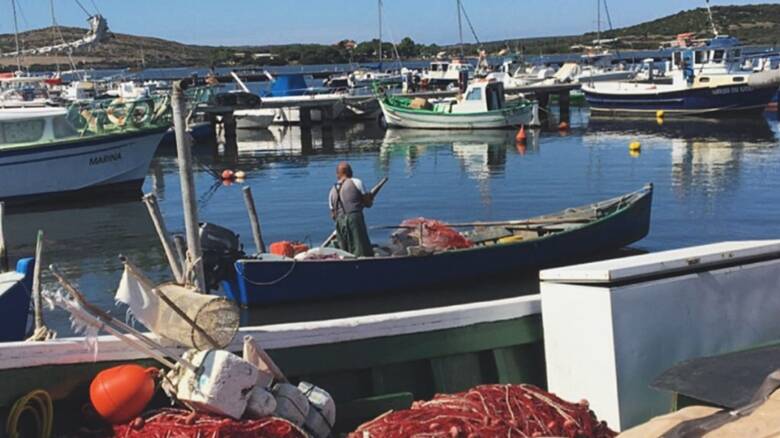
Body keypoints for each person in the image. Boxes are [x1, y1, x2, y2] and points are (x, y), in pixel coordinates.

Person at [329, 162, 374, 257]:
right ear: (351, 172)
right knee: (361, 249)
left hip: (339, 221)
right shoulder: (356, 182)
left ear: (337, 174)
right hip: (354, 218)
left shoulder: (331, 191)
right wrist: (370, 198)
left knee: (344, 251)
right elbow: (368, 203)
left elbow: (333, 215)